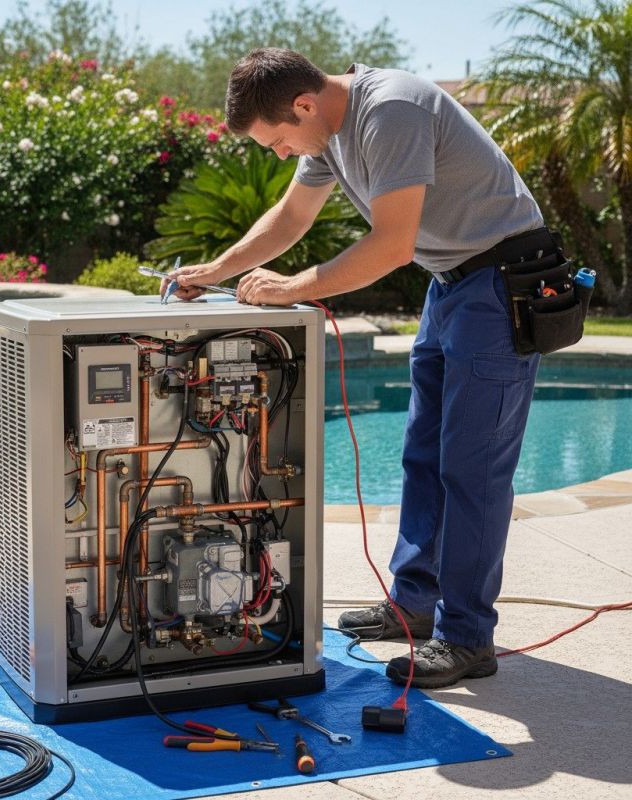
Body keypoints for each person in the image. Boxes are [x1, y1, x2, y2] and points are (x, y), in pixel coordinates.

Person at [162, 48, 556, 689]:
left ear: (304, 105)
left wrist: (290, 289)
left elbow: (392, 245)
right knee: (422, 456)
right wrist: (214, 272)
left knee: (472, 469)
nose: (282, 154)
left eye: (279, 141)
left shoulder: (390, 109)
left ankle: (465, 638)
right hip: (451, 283)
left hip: (499, 282)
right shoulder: (329, 131)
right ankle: (415, 605)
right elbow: (292, 218)